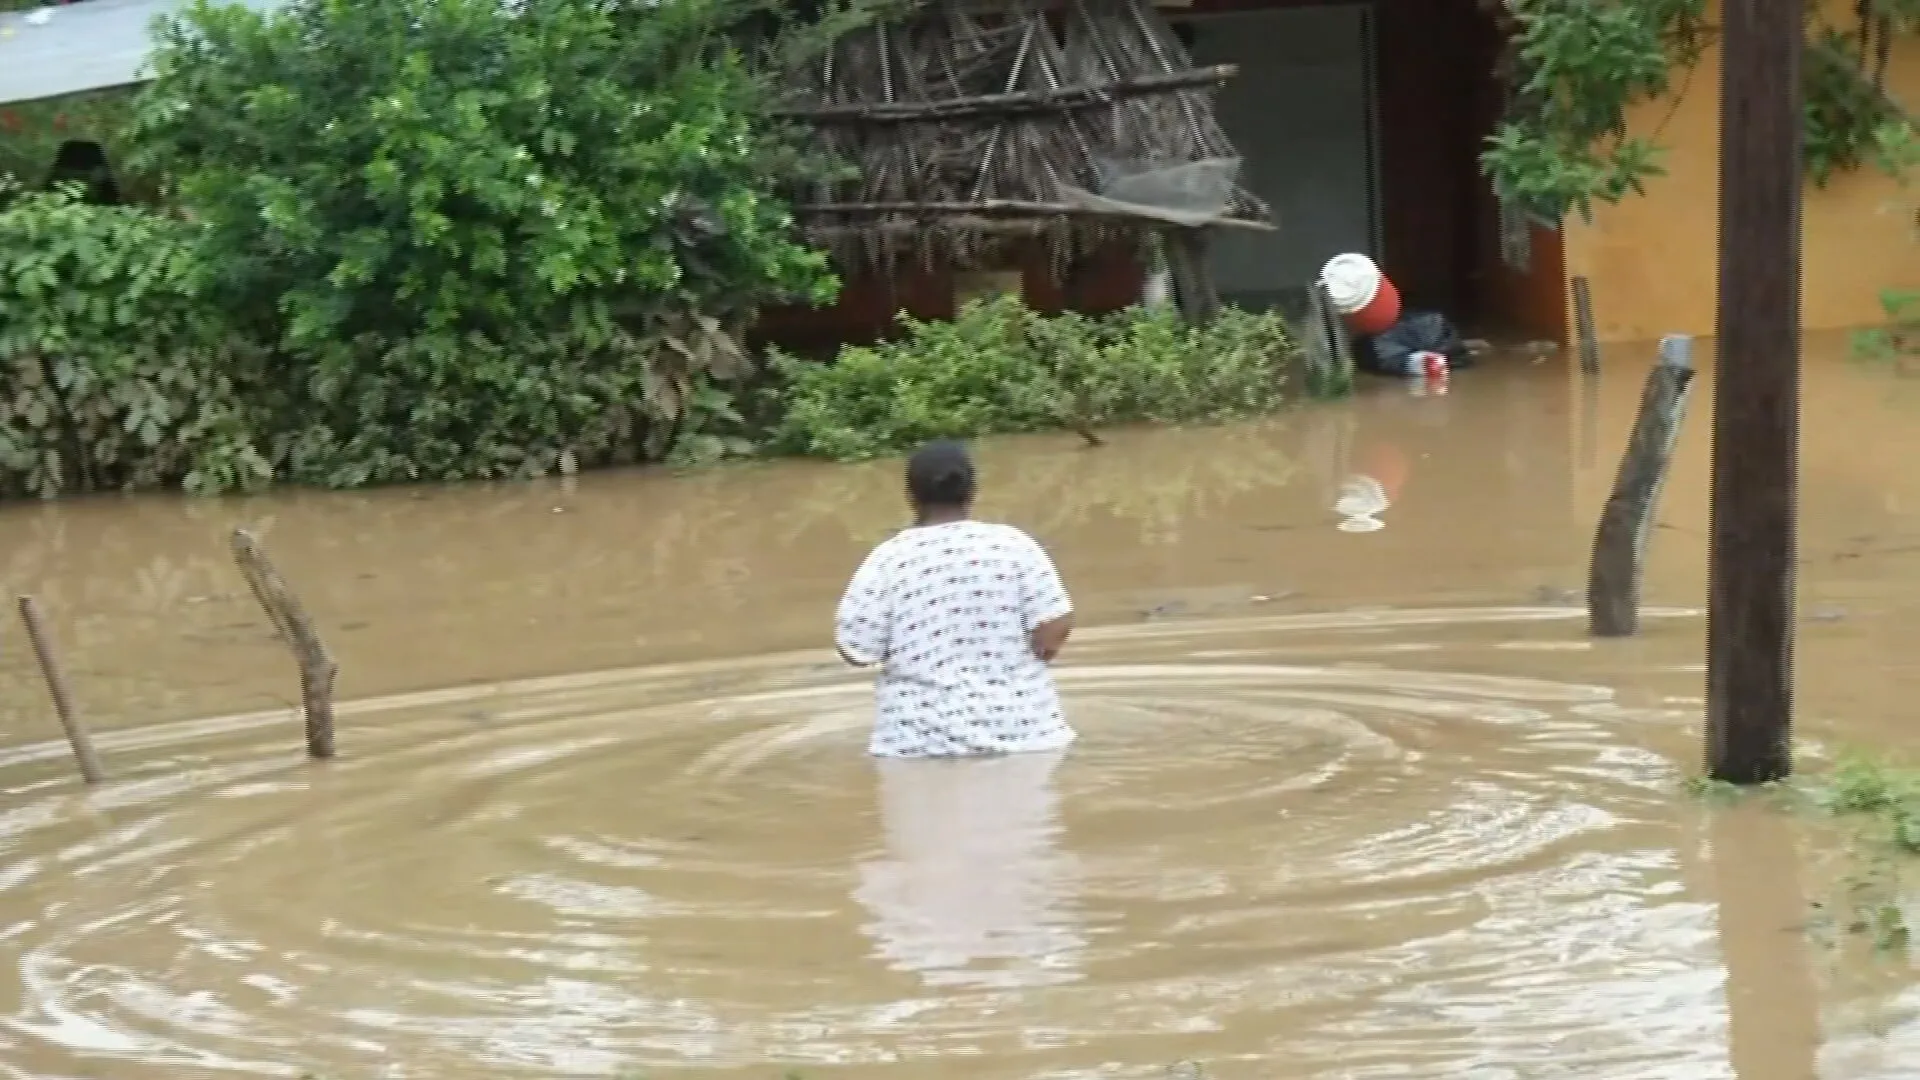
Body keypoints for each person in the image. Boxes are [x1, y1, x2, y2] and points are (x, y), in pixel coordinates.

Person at [833, 440, 1076, 758]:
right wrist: (1035, 654)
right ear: (972, 491)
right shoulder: (1013, 545)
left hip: (917, 741)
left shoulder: (888, 559)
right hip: (1024, 733)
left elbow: (857, 649)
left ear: (910, 497)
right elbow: (1056, 621)